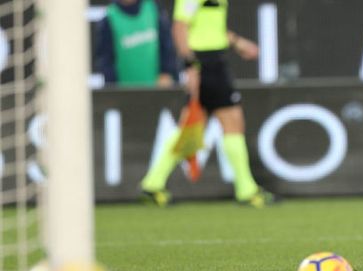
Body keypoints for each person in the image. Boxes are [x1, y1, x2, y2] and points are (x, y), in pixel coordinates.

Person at [140, 0, 274, 207]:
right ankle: (246, 191)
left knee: (192, 128)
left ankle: (153, 183)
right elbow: (180, 27)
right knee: (232, 122)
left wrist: (238, 42)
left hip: (214, 61)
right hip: (205, 64)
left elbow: (210, 27)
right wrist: (190, 65)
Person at [96, 0, 178, 87]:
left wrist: (166, 72)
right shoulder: (109, 18)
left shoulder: (153, 8)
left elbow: (167, 45)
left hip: (157, 88)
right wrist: (114, 90)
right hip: (126, 91)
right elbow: (106, 60)